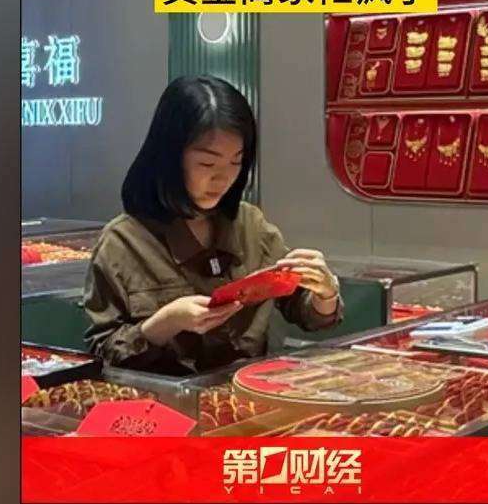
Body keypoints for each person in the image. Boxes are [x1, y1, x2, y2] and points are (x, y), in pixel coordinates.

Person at [83, 75, 343, 375]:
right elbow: (102, 354)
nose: (223, 179)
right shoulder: (123, 241)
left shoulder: (250, 225)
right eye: (207, 164)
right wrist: (165, 323)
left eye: (236, 162)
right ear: (169, 158)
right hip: (160, 397)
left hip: (244, 395)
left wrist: (325, 294)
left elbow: (305, 311)